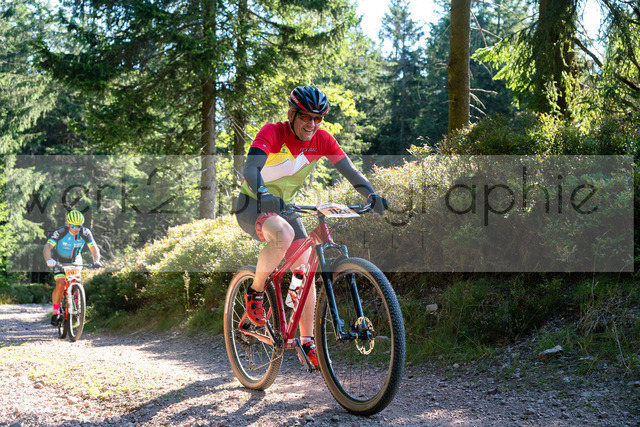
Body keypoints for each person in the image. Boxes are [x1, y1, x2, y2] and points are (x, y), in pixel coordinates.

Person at [235, 85, 387, 369]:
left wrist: (371, 195)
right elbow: (251, 169)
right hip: (252, 202)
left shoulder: (323, 140)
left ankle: (306, 341)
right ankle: (255, 292)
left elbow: (351, 171)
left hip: (285, 207)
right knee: (284, 234)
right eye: (306, 117)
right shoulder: (272, 133)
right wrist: (264, 194)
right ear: (291, 114)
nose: (312, 124)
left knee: (305, 269)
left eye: (318, 118)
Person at [43, 210, 102, 326]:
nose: (76, 229)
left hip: (75, 260)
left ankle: (76, 302)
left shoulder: (85, 232)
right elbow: (47, 247)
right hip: (60, 260)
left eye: (79, 226)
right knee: (60, 283)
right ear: (68, 224)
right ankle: (56, 312)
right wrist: (48, 259)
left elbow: (94, 248)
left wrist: (96, 261)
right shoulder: (61, 231)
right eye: (73, 226)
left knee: (77, 280)